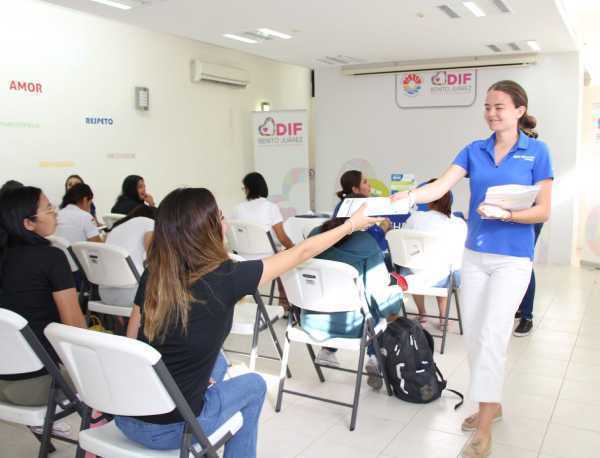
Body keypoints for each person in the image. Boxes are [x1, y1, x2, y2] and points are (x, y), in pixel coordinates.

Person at [119, 187, 379, 458]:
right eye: (220, 217)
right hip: (171, 429)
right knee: (254, 385)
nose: (226, 223)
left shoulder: (154, 273)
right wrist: (351, 225)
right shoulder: (227, 277)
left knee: (219, 362)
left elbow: (131, 345)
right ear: (206, 230)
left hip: (127, 414)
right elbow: (302, 253)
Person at [390, 80, 553, 458]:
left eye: (499, 106)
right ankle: (490, 405)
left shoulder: (537, 152)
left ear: (518, 110)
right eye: (487, 107)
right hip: (475, 256)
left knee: (494, 334)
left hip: (512, 259)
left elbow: (543, 210)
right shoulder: (473, 150)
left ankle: (482, 427)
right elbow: (439, 187)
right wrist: (410, 196)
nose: (492, 113)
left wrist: (507, 214)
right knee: (478, 335)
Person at [0, 186, 86, 407]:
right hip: (39, 385)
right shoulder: (52, 257)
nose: (55, 212)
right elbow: (74, 327)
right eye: (48, 208)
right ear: (28, 223)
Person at [304, 217, 403, 388]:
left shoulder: (310, 244)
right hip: (353, 326)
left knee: (336, 297)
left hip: (311, 321)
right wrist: (396, 298)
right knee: (376, 303)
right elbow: (378, 295)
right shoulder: (367, 245)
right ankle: (375, 357)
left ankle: (327, 350)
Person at [400, 178, 467, 329]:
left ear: (429, 200)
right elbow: (459, 258)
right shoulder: (459, 224)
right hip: (445, 280)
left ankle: (423, 314)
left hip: (414, 279)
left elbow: (404, 249)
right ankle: (443, 318)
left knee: (410, 265)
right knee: (447, 268)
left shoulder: (415, 218)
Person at [98, 205, 157, 307]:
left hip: (104, 294)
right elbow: (154, 257)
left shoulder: (115, 229)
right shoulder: (150, 223)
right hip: (133, 295)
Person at [334, 170, 393, 269]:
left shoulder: (340, 206)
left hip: (345, 260)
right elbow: (370, 239)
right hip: (364, 262)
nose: (369, 185)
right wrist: (384, 227)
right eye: (365, 182)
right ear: (355, 189)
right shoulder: (361, 208)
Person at [231, 172, 294, 249]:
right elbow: (282, 238)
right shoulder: (271, 207)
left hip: (243, 256)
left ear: (248, 189)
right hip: (268, 256)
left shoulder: (237, 208)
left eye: (244, 188)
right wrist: (293, 248)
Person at [513, 222, 543, 336]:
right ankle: (520, 309)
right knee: (515, 259)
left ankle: (527, 317)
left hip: (531, 216)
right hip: (516, 214)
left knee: (523, 259)